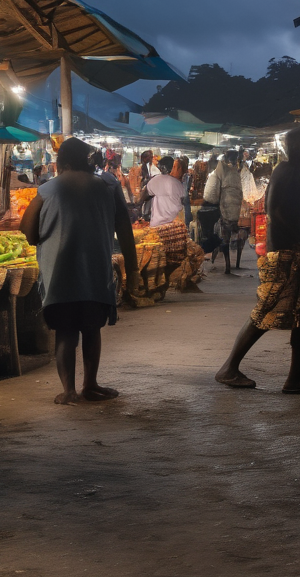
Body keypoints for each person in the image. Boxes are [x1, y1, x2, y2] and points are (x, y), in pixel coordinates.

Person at [20, 137, 141, 405]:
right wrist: (132, 271)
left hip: (59, 275)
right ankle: (91, 384)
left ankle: (68, 391)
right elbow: (124, 229)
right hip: (95, 273)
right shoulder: (108, 185)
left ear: (60, 163)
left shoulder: (48, 189)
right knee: (91, 329)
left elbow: (28, 232)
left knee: (65, 332)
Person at [214, 126, 300, 394]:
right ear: (295, 145)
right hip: (286, 253)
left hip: (295, 250)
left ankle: (295, 378)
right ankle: (229, 368)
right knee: (266, 310)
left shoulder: (298, 172)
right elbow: (276, 211)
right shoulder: (287, 171)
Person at [210, 149, 245, 274]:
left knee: (225, 237)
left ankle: (228, 265)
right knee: (236, 235)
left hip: (226, 208)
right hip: (237, 209)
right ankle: (233, 264)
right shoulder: (239, 170)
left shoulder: (224, 171)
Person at [141, 156, 185, 229]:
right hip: (174, 225)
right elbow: (182, 201)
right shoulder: (178, 184)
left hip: (157, 224)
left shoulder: (154, 181)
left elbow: (144, 197)